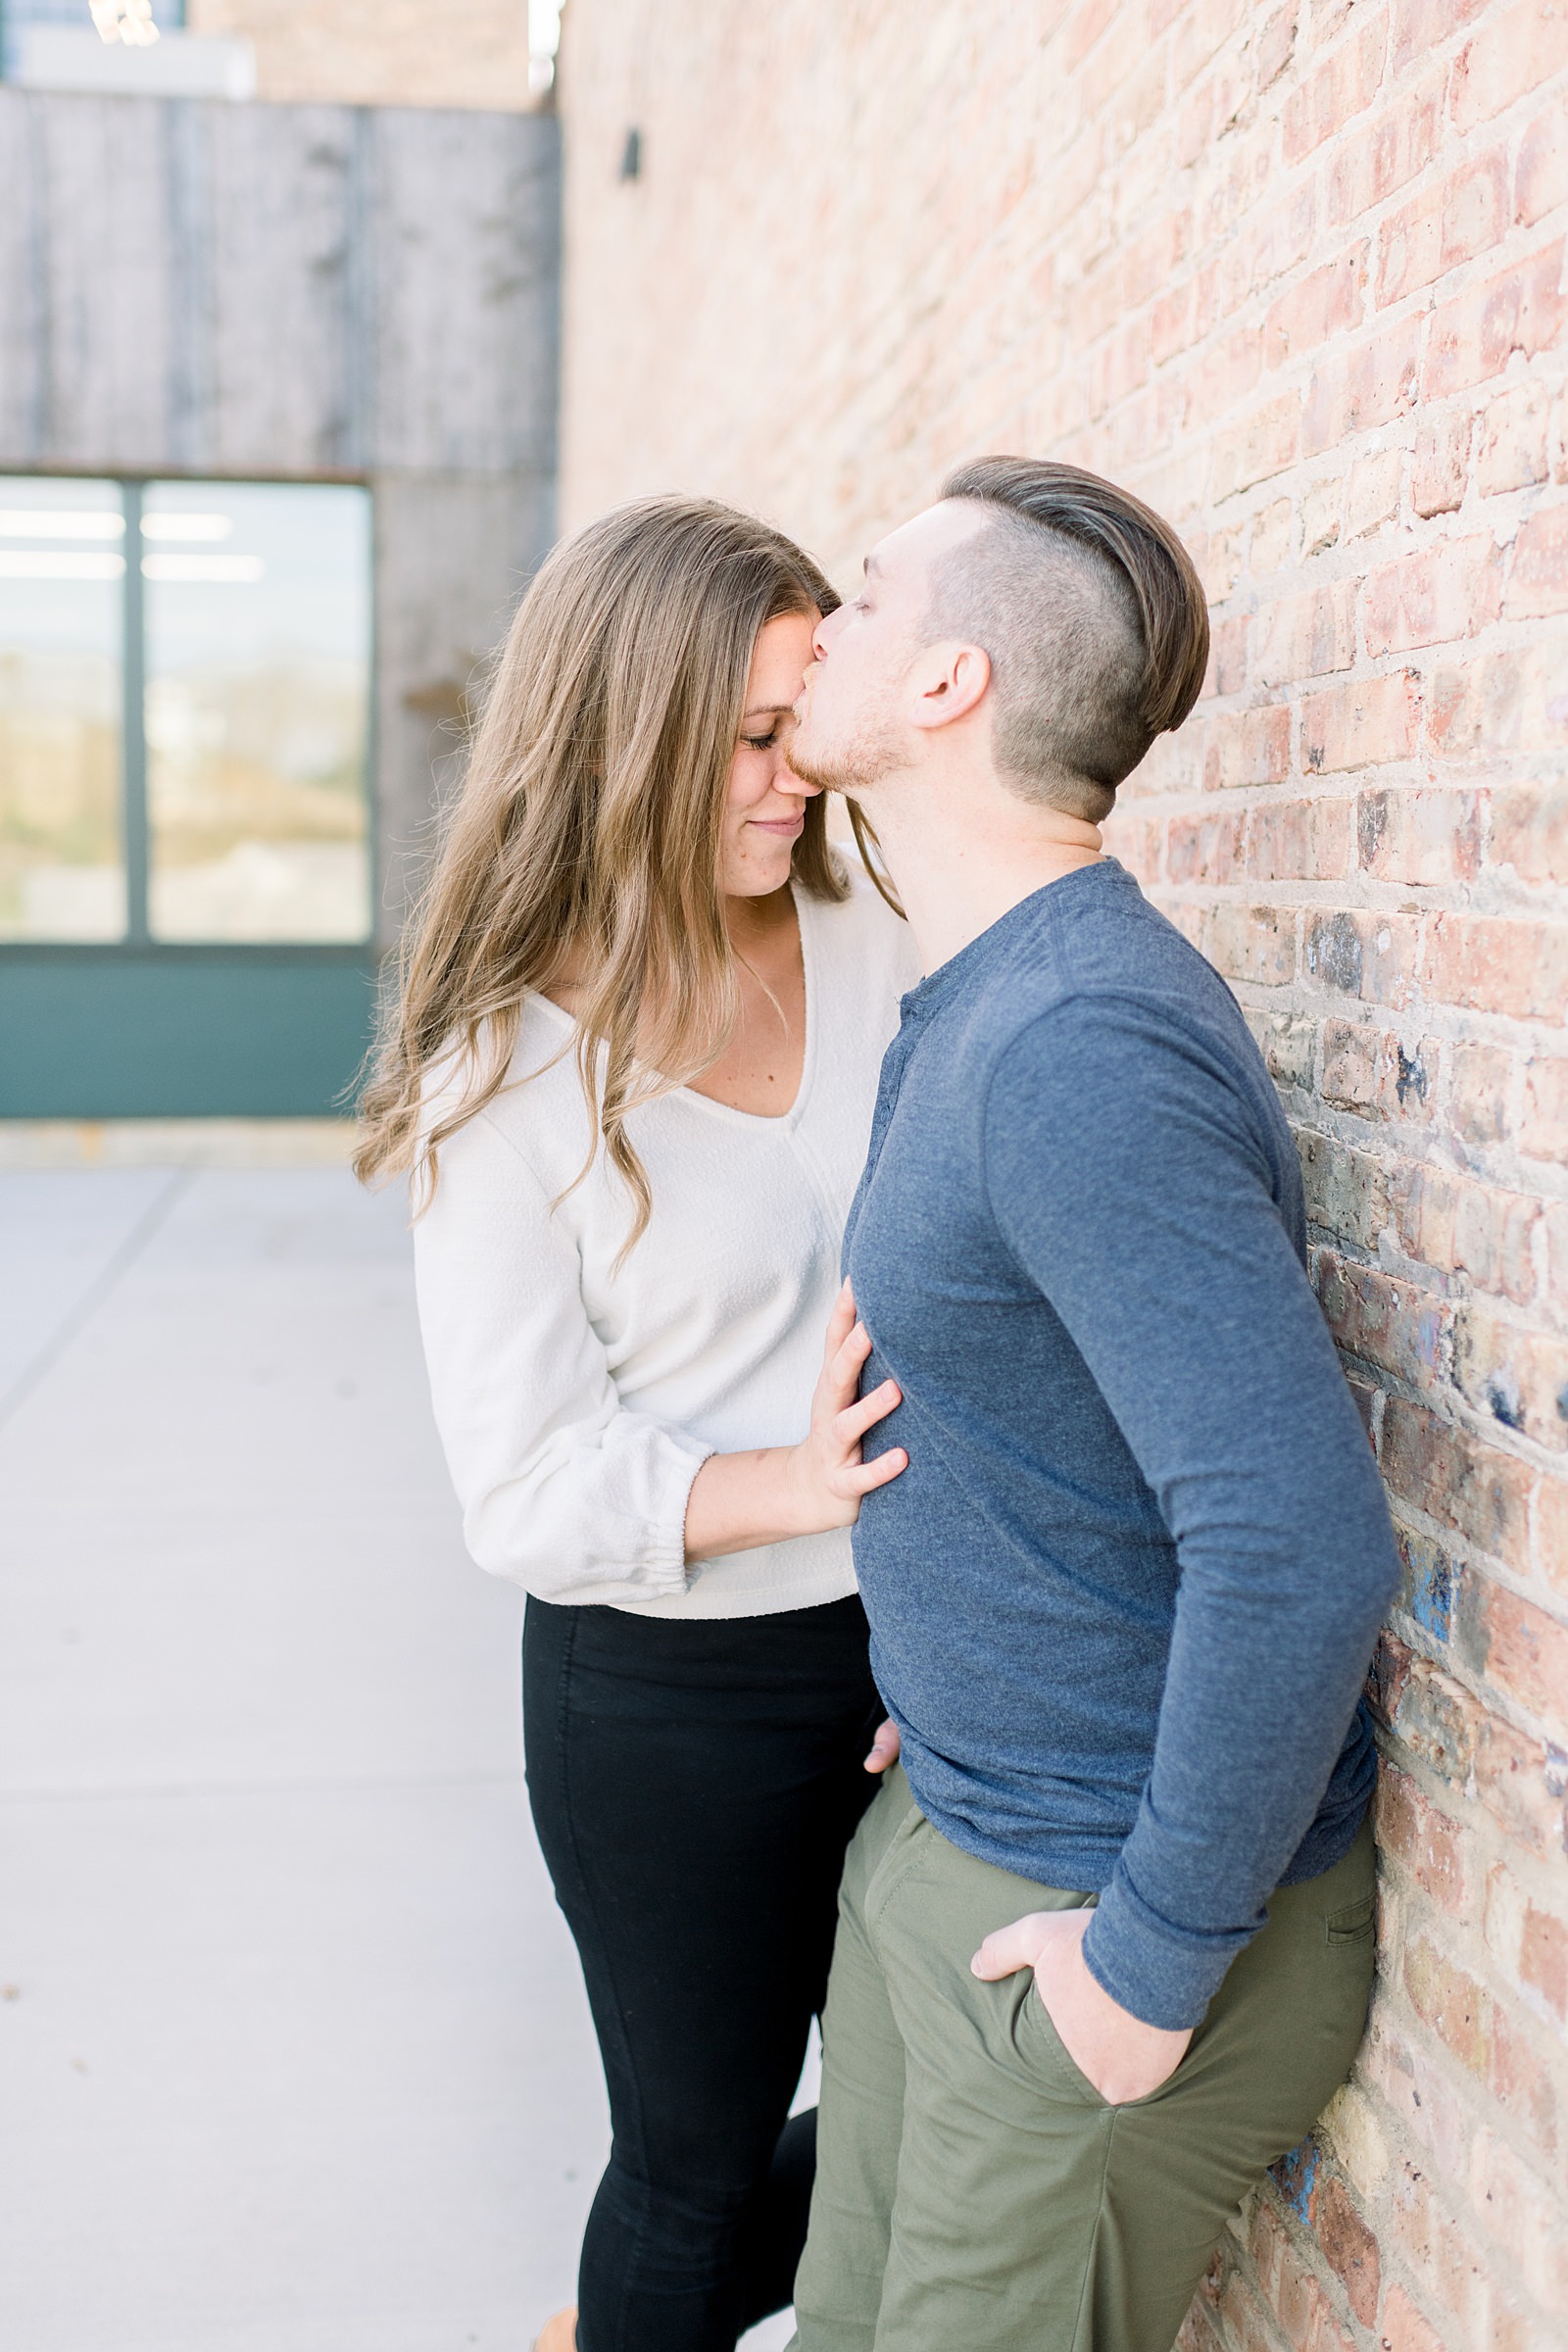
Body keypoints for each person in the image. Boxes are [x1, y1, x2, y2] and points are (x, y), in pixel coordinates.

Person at [782, 457, 1401, 2352]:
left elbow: (1301, 1542)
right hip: (955, 1842)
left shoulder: (1074, 1050)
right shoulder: (980, 997)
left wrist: (1142, 1970)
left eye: (869, 596)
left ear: (952, 685)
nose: (824, 623)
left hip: (1098, 1924)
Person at [354, 497, 920, 2352]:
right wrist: (800, 1488)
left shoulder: (870, 940)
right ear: (638, 738)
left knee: (942, 2119)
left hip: (924, 1652)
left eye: (806, 724)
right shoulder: (502, 1072)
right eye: (757, 741)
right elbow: (522, 1492)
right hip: (676, 1704)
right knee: (691, 2175)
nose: (801, 776)